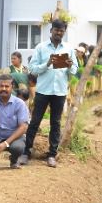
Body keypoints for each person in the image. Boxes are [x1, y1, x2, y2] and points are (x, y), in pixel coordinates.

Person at [23, 20, 77, 168]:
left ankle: (52, 154)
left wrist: (71, 65)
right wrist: (46, 64)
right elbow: (32, 69)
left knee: (55, 123)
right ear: (51, 30)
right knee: (35, 122)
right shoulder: (41, 48)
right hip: (43, 91)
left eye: (61, 31)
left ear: (64, 32)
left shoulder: (68, 48)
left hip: (59, 92)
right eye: (56, 30)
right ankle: (26, 152)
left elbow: (74, 70)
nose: (58, 33)